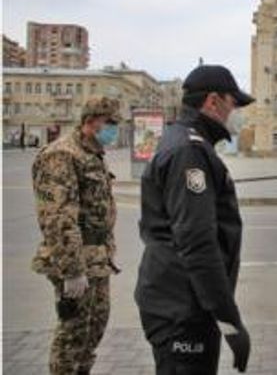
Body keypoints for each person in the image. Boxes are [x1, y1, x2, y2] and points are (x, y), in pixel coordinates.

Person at [135, 64, 253, 374]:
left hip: (179, 300)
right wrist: (230, 320)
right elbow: (198, 242)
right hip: (181, 309)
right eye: (234, 104)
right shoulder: (190, 151)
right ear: (213, 101)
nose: (236, 113)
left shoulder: (182, 138)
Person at [31, 97, 122, 375]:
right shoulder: (61, 154)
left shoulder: (92, 152)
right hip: (76, 260)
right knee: (73, 336)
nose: (114, 129)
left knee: (93, 329)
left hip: (96, 258)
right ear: (91, 121)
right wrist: (72, 270)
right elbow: (57, 217)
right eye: (111, 123)